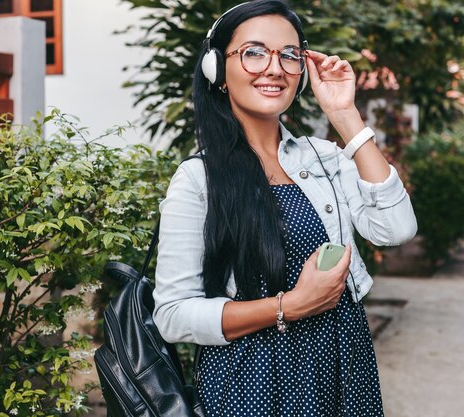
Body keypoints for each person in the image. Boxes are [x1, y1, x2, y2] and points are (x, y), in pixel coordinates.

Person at [152, 1, 417, 415]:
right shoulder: (198, 179)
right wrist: (288, 306)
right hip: (251, 381)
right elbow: (173, 314)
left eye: (289, 55)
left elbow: (395, 229)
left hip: (341, 365)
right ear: (217, 70)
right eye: (254, 52)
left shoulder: (327, 159)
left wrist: (345, 116)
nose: (274, 68)